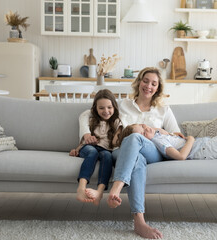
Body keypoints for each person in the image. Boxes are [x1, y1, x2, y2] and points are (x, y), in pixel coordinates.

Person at [78, 67, 182, 239]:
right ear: (139, 82)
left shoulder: (164, 110)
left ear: (158, 88)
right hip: (123, 152)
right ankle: (139, 222)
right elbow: (87, 113)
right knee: (136, 156)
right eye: (145, 81)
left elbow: (176, 136)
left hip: (152, 152)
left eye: (153, 83)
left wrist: (154, 130)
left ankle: (116, 188)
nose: (148, 86)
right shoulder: (123, 105)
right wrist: (85, 134)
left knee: (136, 138)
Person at [70, 89, 122, 206]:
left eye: (109, 107)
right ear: (95, 108)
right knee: (92, 152)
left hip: (105, 149)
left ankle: (99, 192)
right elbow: (84, 139)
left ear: (114, 107)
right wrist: (77, 149)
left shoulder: (116, 122)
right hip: (89, 147)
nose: (106, 111)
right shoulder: (91, 119)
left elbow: (116, 141)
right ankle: (81, 188)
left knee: (107, 156)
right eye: (101, 108)